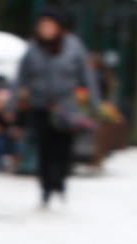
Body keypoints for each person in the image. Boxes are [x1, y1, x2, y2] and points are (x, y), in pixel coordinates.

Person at [14, 8, 98, 207]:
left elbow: (87, 75)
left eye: (50, 26)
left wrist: (94, 102)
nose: (46, 30)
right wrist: (13, 103)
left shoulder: (74, 46)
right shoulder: (32, 48)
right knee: (43, 148)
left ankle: (60, 180)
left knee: (63, 149)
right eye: (42, 26)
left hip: (65, 107)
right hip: (40, 105)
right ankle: (45, 188)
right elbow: (21, 76)